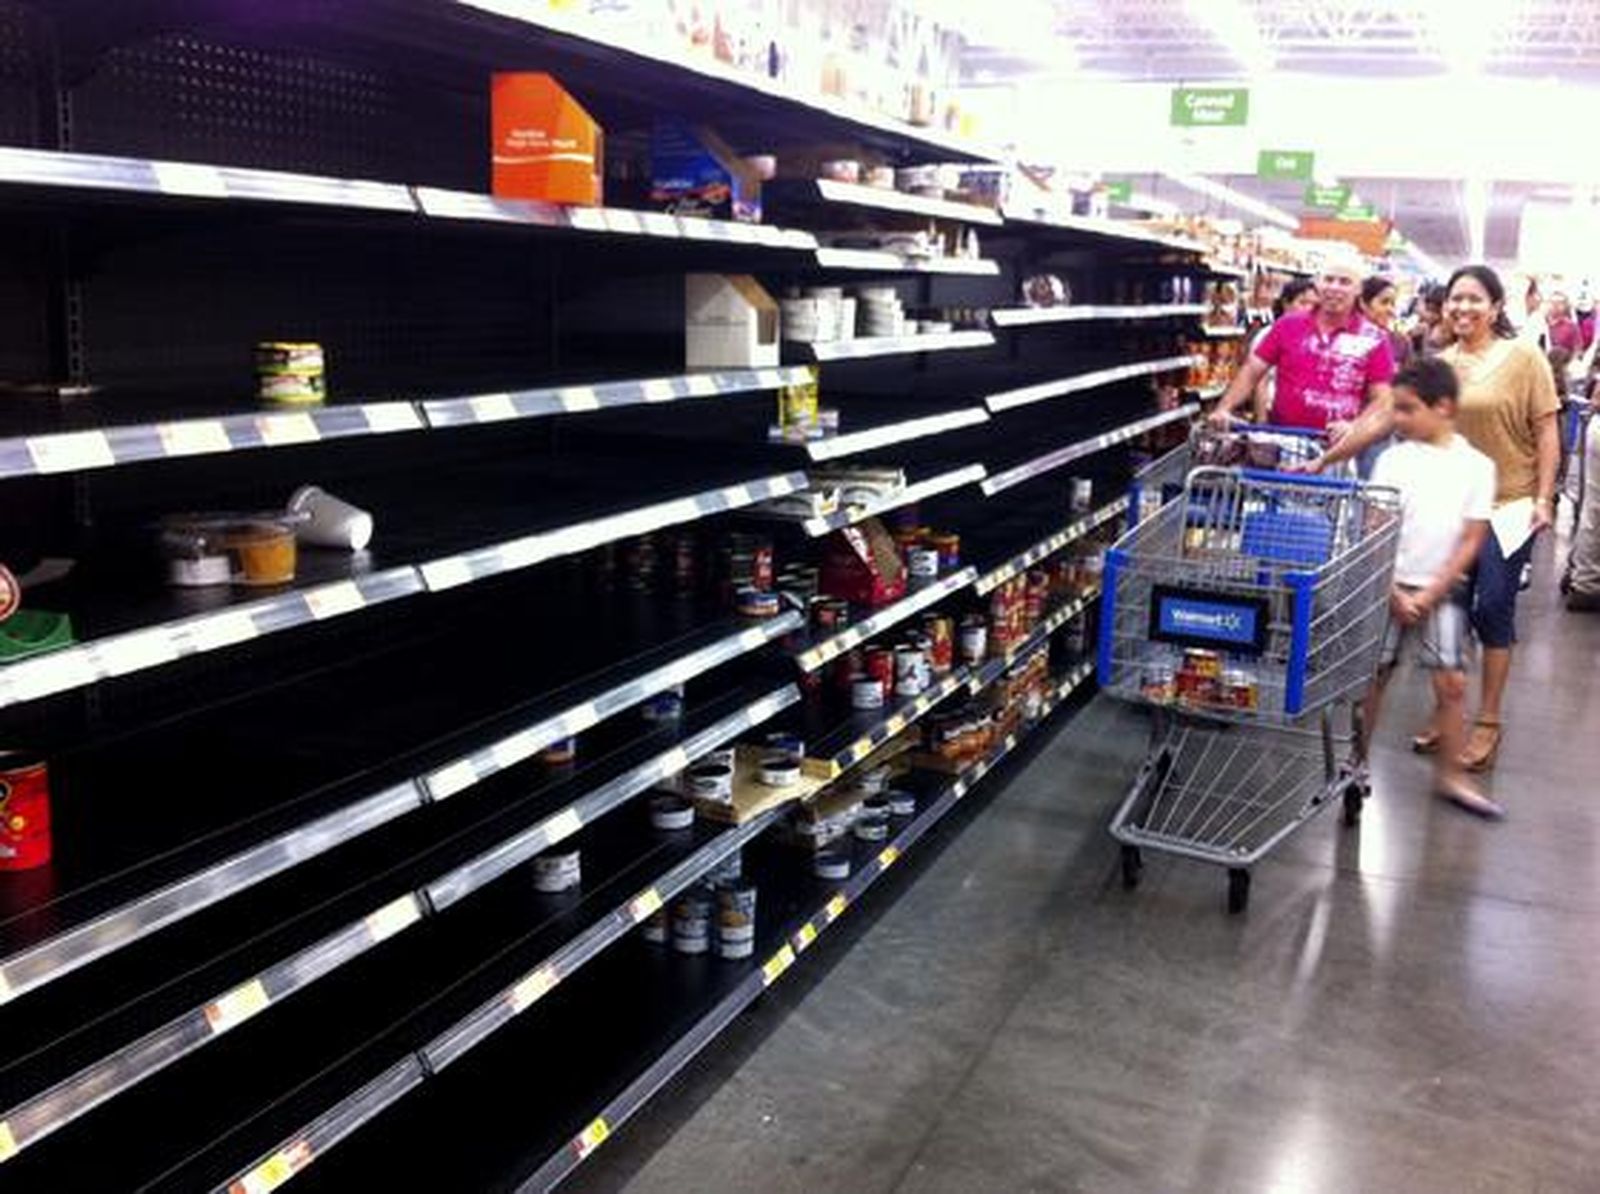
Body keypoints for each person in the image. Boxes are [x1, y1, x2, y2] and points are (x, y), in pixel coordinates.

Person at [1314, 264, 1561, 773]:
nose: (1462, 308)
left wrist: (1544, 497)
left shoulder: (1524, 356)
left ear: (1495, 307)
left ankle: (1488, 720)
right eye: (1455, 299)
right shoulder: (1441, 364)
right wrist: (1324, 459)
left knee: (1492, 606)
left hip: (1510, 504)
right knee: (1453, 605)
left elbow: (1547, 429)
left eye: (1474, 299)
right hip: (1457, 503)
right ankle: (1447, 711)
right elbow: (1384, 415)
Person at [1362, 357, 1499, 818]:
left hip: (1440, 591)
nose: (1396, 419)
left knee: (1453, 684)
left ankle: (1451, 777)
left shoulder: (1477, 467)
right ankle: (1354, 765)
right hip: (1389, 586)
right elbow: (1373, 531)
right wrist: (1392, 590)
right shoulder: (1391, 460)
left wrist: (1428, 594)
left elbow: (1472, 540)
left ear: (1443, 407)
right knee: (1372, 678)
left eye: (1406, 409)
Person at [1208, 251, 1395, 440]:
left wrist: (1355, 426)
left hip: (1337, 447)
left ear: (1359, 289)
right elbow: (1252, 371)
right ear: (1317, 284)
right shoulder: (1287, 325)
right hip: (1282, 439)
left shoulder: (1374, 339)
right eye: (1328, 279)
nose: (1334, 288)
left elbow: (1382, 398)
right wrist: (1224, 408)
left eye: (1345, 282)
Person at [1247, 278, 1318, 422]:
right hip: (1274, 415)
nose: (1309, 309)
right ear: (1286, 303)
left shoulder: (1316, 336)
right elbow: (1260, 380)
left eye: (1314, 304)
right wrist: (1262, 420)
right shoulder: (1269, 335)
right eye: (1303, 303)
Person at [1360, 275, 1413, 368]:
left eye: (1393, 304)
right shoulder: (1346, 337)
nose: (1390, 310)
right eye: (1384, 302)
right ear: (1364, 303)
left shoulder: (1401, 342)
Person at [1410, 283, 1452, 357]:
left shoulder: (1445, 329)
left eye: (1436, 312)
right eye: (1429, 310)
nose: (1431, 315)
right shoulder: (1426, 326)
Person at [1544, 290, 1583, 356]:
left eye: (1559, 303)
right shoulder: (1542, 324)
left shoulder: (1571, 327)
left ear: (1565, 306)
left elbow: (1578, 351)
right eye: (1552, 302)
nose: (1555, 305)